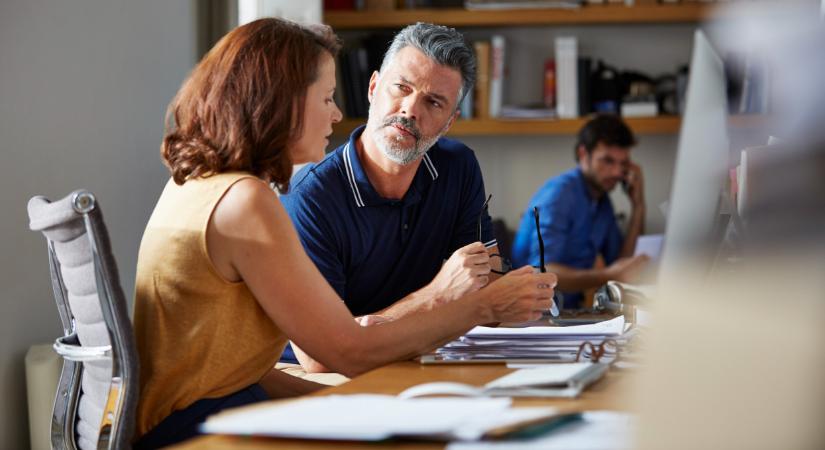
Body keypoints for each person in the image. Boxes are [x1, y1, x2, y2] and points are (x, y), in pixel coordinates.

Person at [131, 18, 556, 448]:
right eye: (327, 98)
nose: (336, 114)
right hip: (192, 432)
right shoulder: (246, 202)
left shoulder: (197, 184)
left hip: (199, 412)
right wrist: (478, 307)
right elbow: (346, 351)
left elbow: (238, 371)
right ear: (282, 102)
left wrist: (364, 402)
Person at [281, 22, 518, 373]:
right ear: (374, 87)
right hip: (329, 384)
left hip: (422, 362)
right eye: (401, 88)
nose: (410, 110)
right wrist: (437, 296)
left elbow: (490, 286)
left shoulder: (459, 167)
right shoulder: (310, 198)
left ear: (449, 122)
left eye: (433, 102)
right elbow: (320, 356)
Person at [511, 114, 649, 309]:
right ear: (583, 154)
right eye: (608, 161)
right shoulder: (559, 195)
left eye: (624, 163)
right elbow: (541, 272)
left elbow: (622, 265)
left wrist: (638, 205)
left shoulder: (602, 202)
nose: (618, 172)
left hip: (566, 314)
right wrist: (608, 275)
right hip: (530, 315)